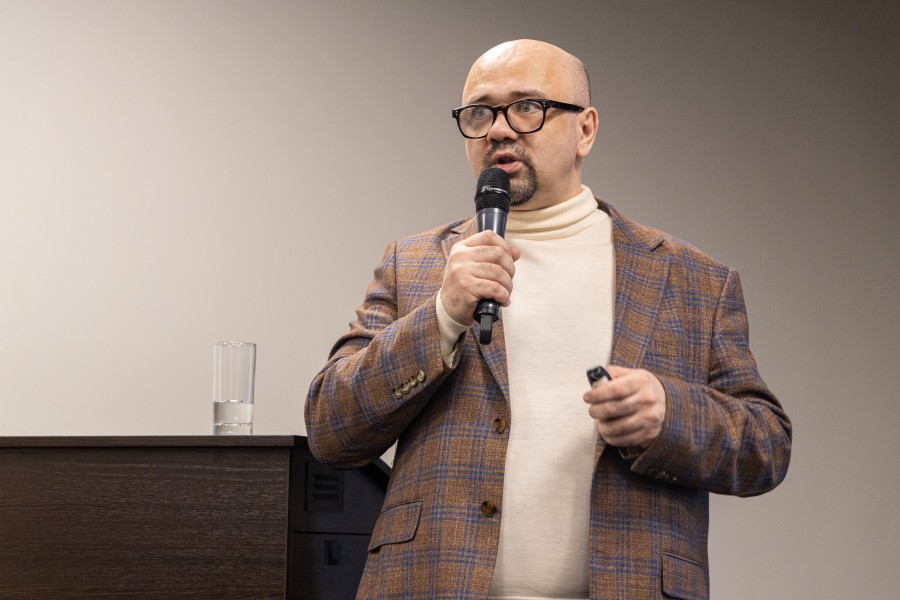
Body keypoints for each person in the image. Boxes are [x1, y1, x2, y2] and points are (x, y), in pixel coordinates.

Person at [305, 39, 791, 600]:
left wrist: (670, 415)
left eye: (527, 107)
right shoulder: (415, 264)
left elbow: (766, 446)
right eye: (480, 112)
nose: (499, 129)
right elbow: (331, 430)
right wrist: (440, 317)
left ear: (585, 129)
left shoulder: (691, 280)